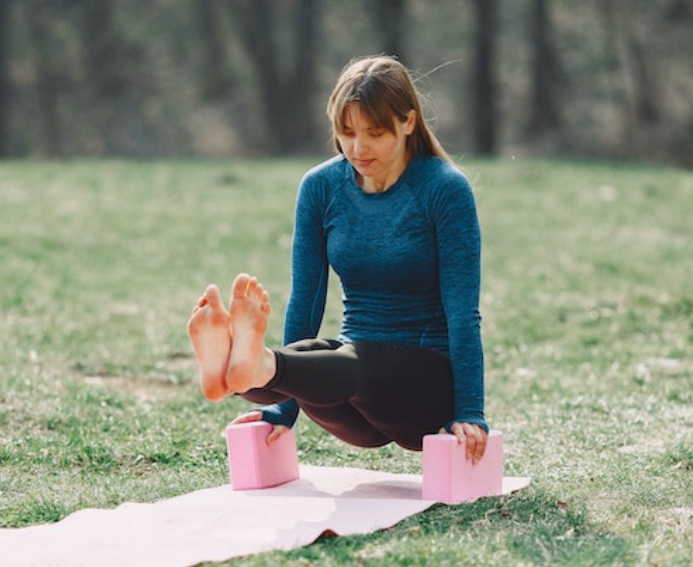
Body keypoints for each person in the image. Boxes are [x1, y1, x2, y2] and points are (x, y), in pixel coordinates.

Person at [187, 56, 488, 463]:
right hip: (353, 400)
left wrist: (470, 411)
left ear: (409, 123)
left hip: (425, 397)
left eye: (376, 133)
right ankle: (236, 369)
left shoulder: (444, 189)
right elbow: (306, 300)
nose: (358, 148)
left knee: (358, 360)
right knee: (312, 353)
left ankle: (256, 366)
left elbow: (463, 312)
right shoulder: (321, 187)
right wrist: (282, 408)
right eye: (346, 132)